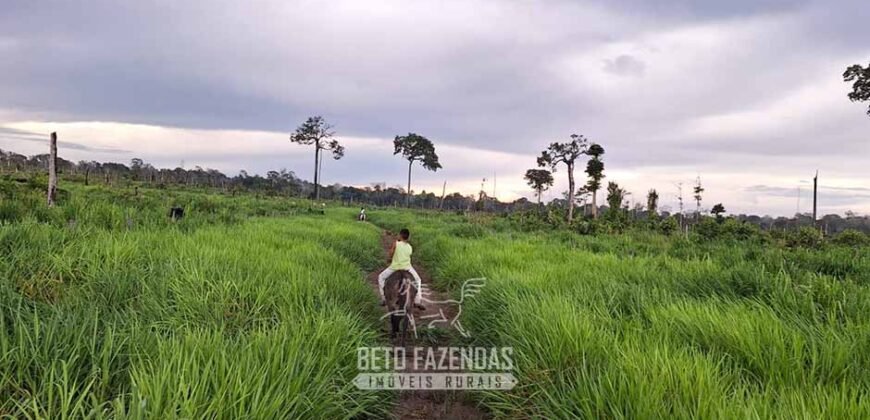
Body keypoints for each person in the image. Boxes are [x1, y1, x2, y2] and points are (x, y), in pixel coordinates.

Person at [378, 228, 425, 310]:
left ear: (400, 236)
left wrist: (389, 259)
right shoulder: (410, 247)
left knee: (381, 277)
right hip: (407, 267)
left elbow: (391, 253)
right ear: (408, 237)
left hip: (395, 267)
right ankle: (418, 300)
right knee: (418, 280)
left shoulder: (396, 243)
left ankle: (384, 298)